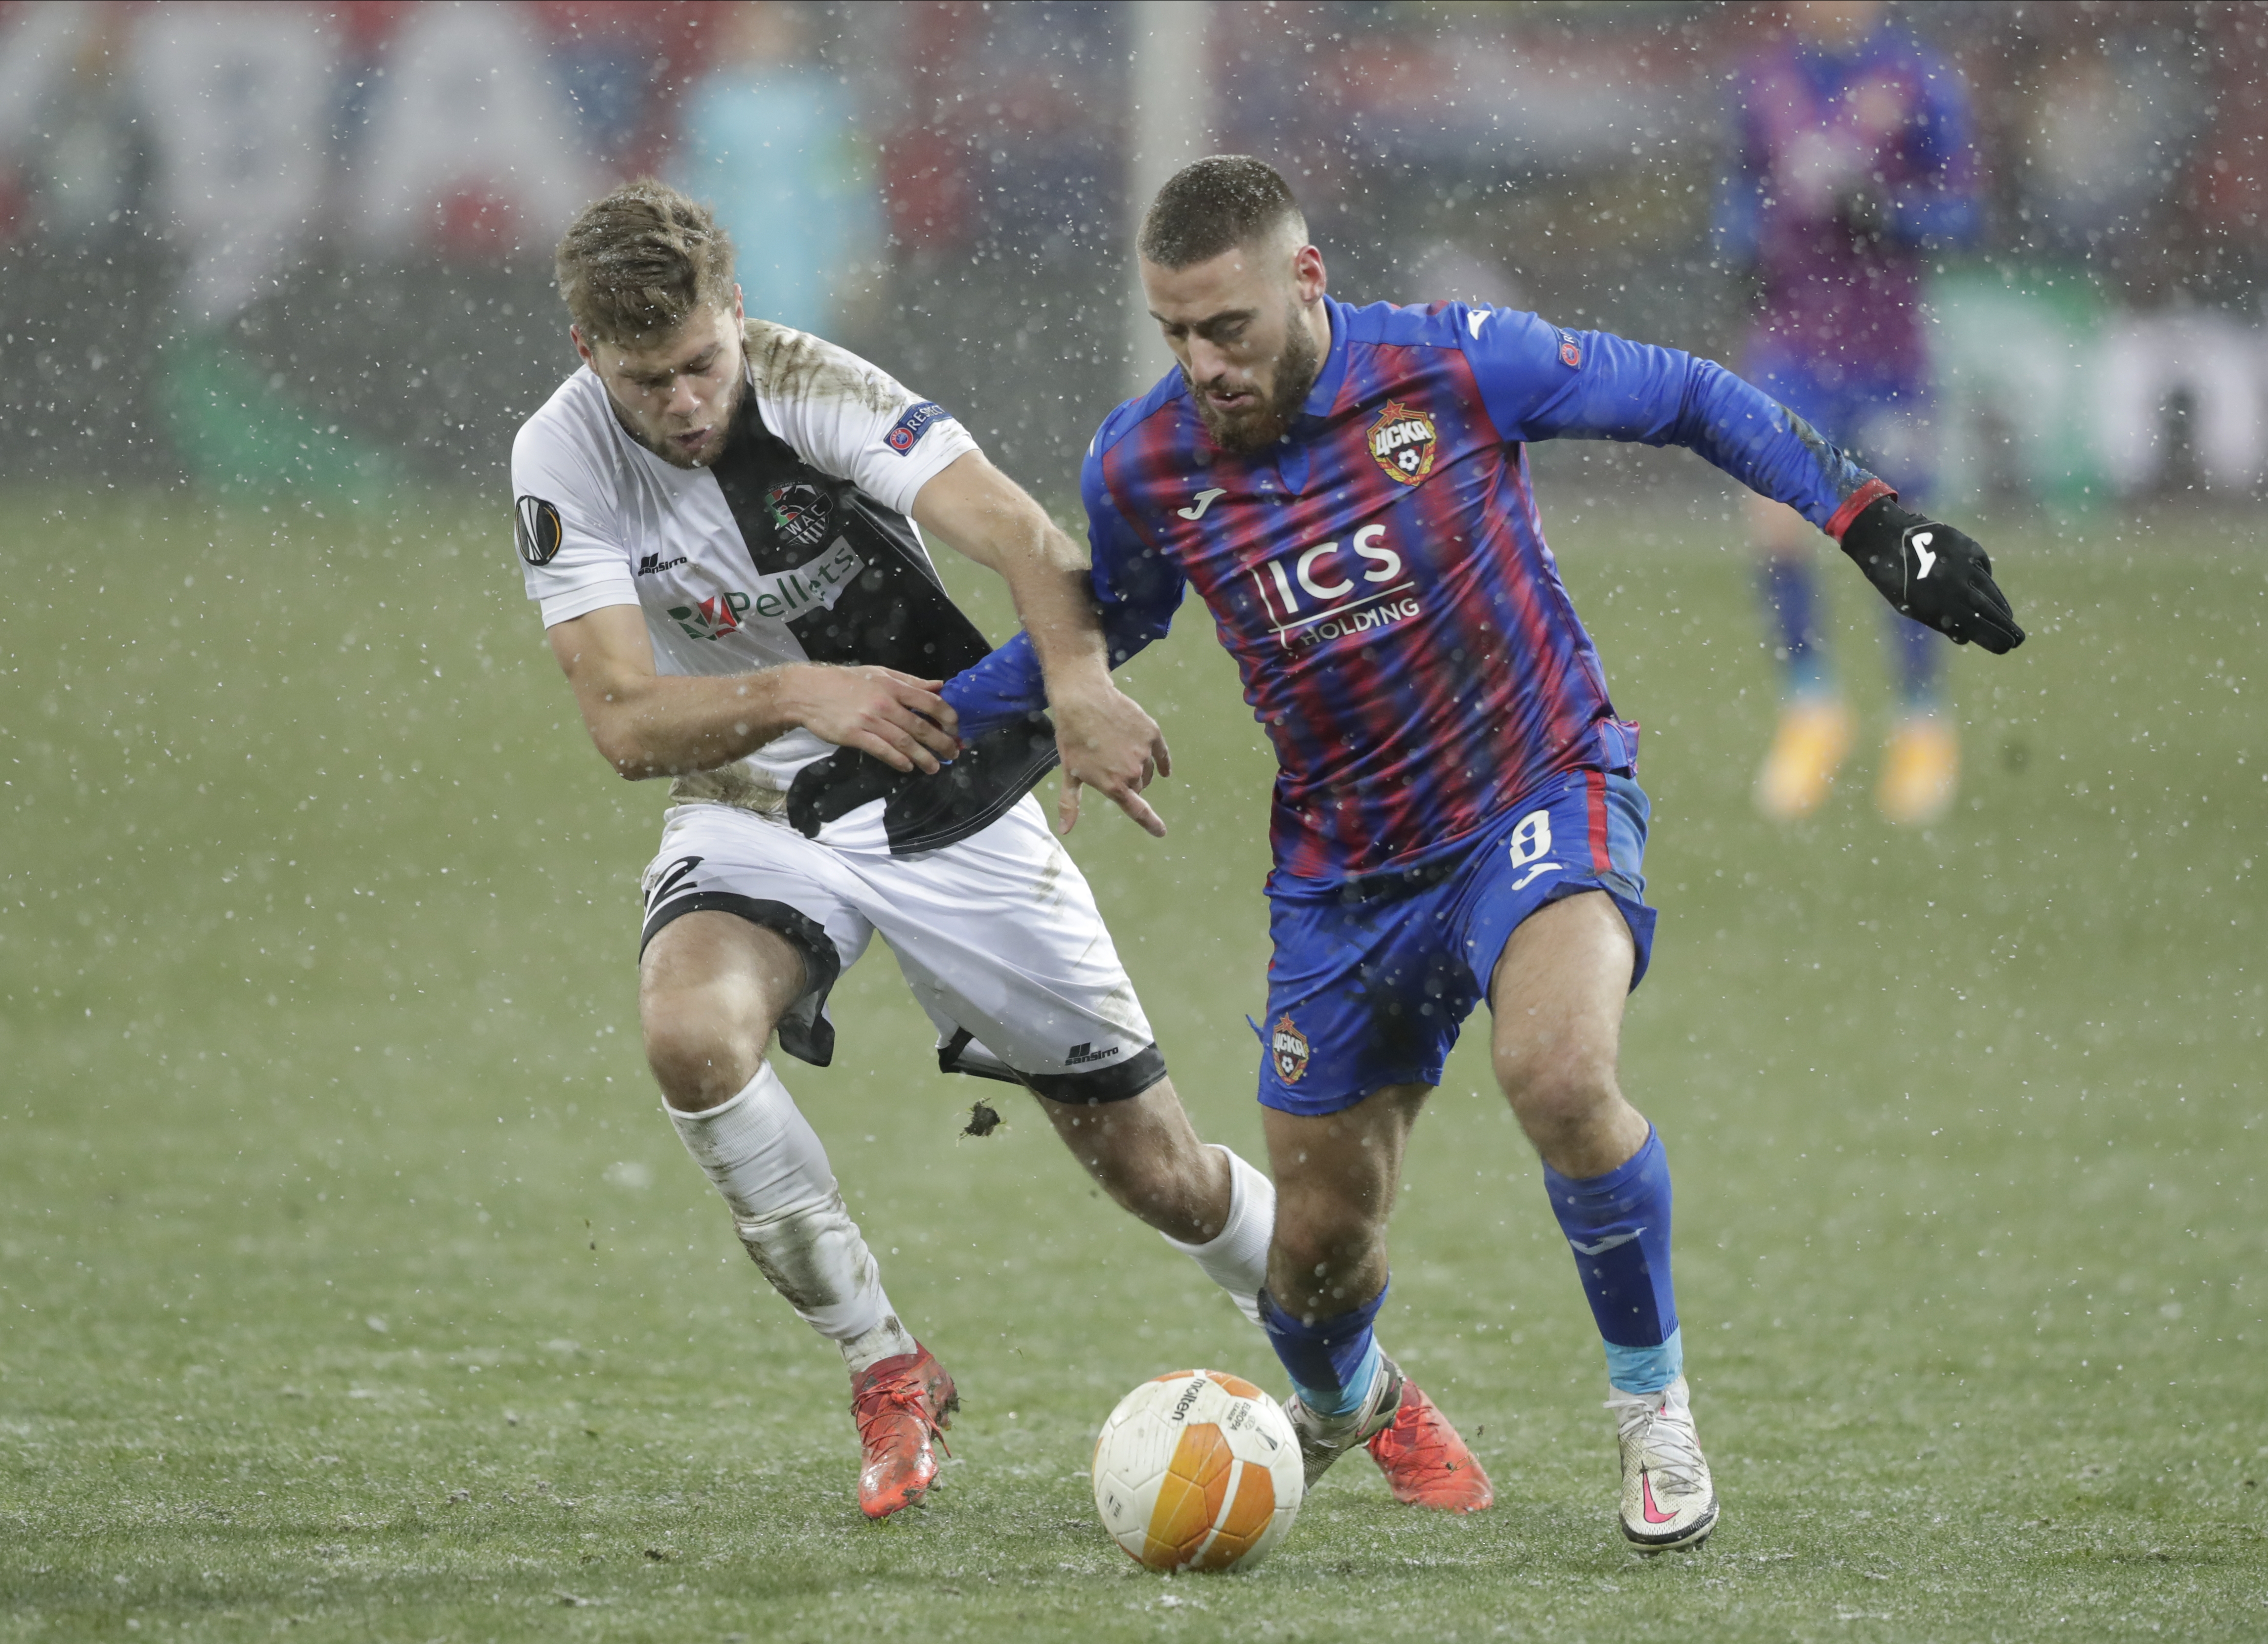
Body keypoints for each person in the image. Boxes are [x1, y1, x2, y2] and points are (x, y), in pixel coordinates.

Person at [942, 156, 2021, 1550]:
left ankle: (1652, 1413)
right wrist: (923, 722)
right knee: (1320, 1244)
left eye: (1229, 328)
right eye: (1176, 334)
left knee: (1559, 1071)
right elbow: (1108, 621)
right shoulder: (1144, 462)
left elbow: (1688, 395)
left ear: (1305, 280)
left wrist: (1868, 520)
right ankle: (1341, 1400)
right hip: (1342, 871)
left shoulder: (1452, 365)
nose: (1203, 364)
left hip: (1539, 783)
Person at [508, 180, 1485, 1522]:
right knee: (690, 1031)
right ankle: (885, 1365)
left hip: (935, 783)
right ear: (586, 357)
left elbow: (1025, 538)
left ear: (736, 315)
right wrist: (805, 692)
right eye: (644, 381)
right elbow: (622, 722)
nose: (681, 402)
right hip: (751, 797)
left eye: (699, 363)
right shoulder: (560, 460)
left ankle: (1366, 1389)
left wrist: (1074, 695)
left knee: (1160, 1173)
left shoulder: (814, 383)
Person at [1715, 0, 1981, 824]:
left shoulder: (1920, 80)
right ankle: (1811, 704)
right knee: (1772, 512)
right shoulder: (1768, 81)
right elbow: (1740, 190)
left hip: (1888, 350)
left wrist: (1891, 216)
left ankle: (1920, 721)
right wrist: (1738, 245)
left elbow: (1968, 214)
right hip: (1795, 340)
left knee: (1897, 533)